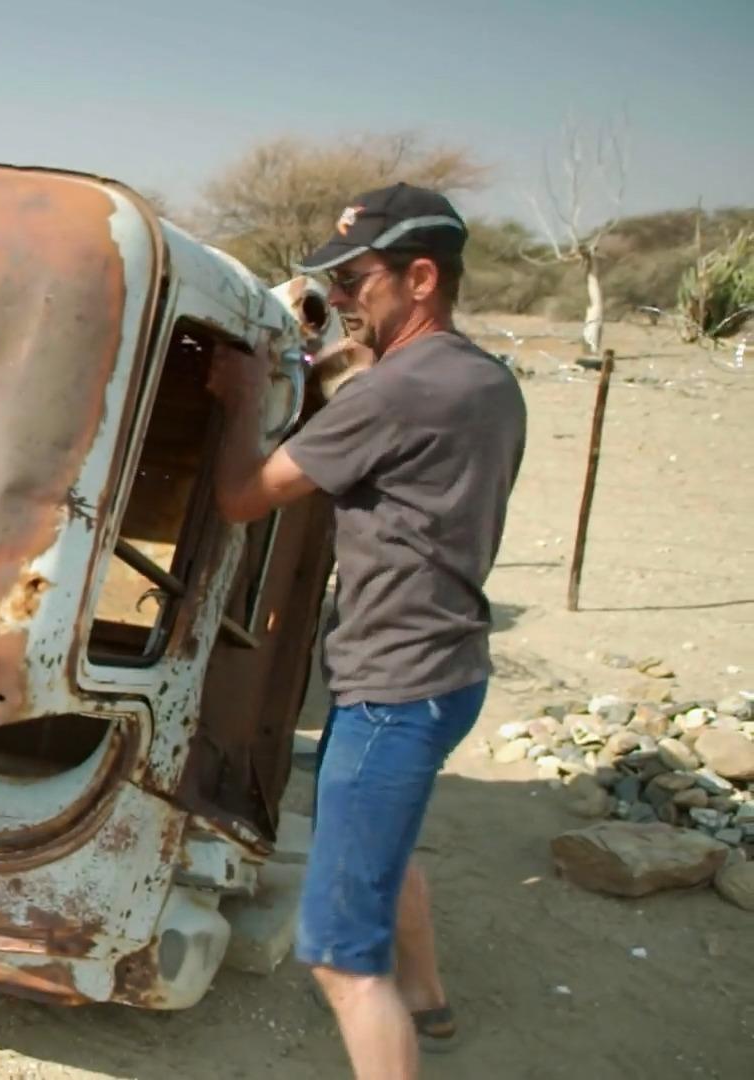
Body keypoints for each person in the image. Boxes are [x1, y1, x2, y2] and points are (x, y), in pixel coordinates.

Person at [206, 183, 526, 1078]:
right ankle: (428, 999)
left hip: (392, 686)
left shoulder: (392, 394)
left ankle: (394, 1008)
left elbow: (242, 498)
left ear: (420, 278)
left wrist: (242, 399)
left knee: (341, 959)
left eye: (357, 279)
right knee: (383, 843)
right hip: (452, 667)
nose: (341, 297)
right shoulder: (487, 380)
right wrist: (341, 364)